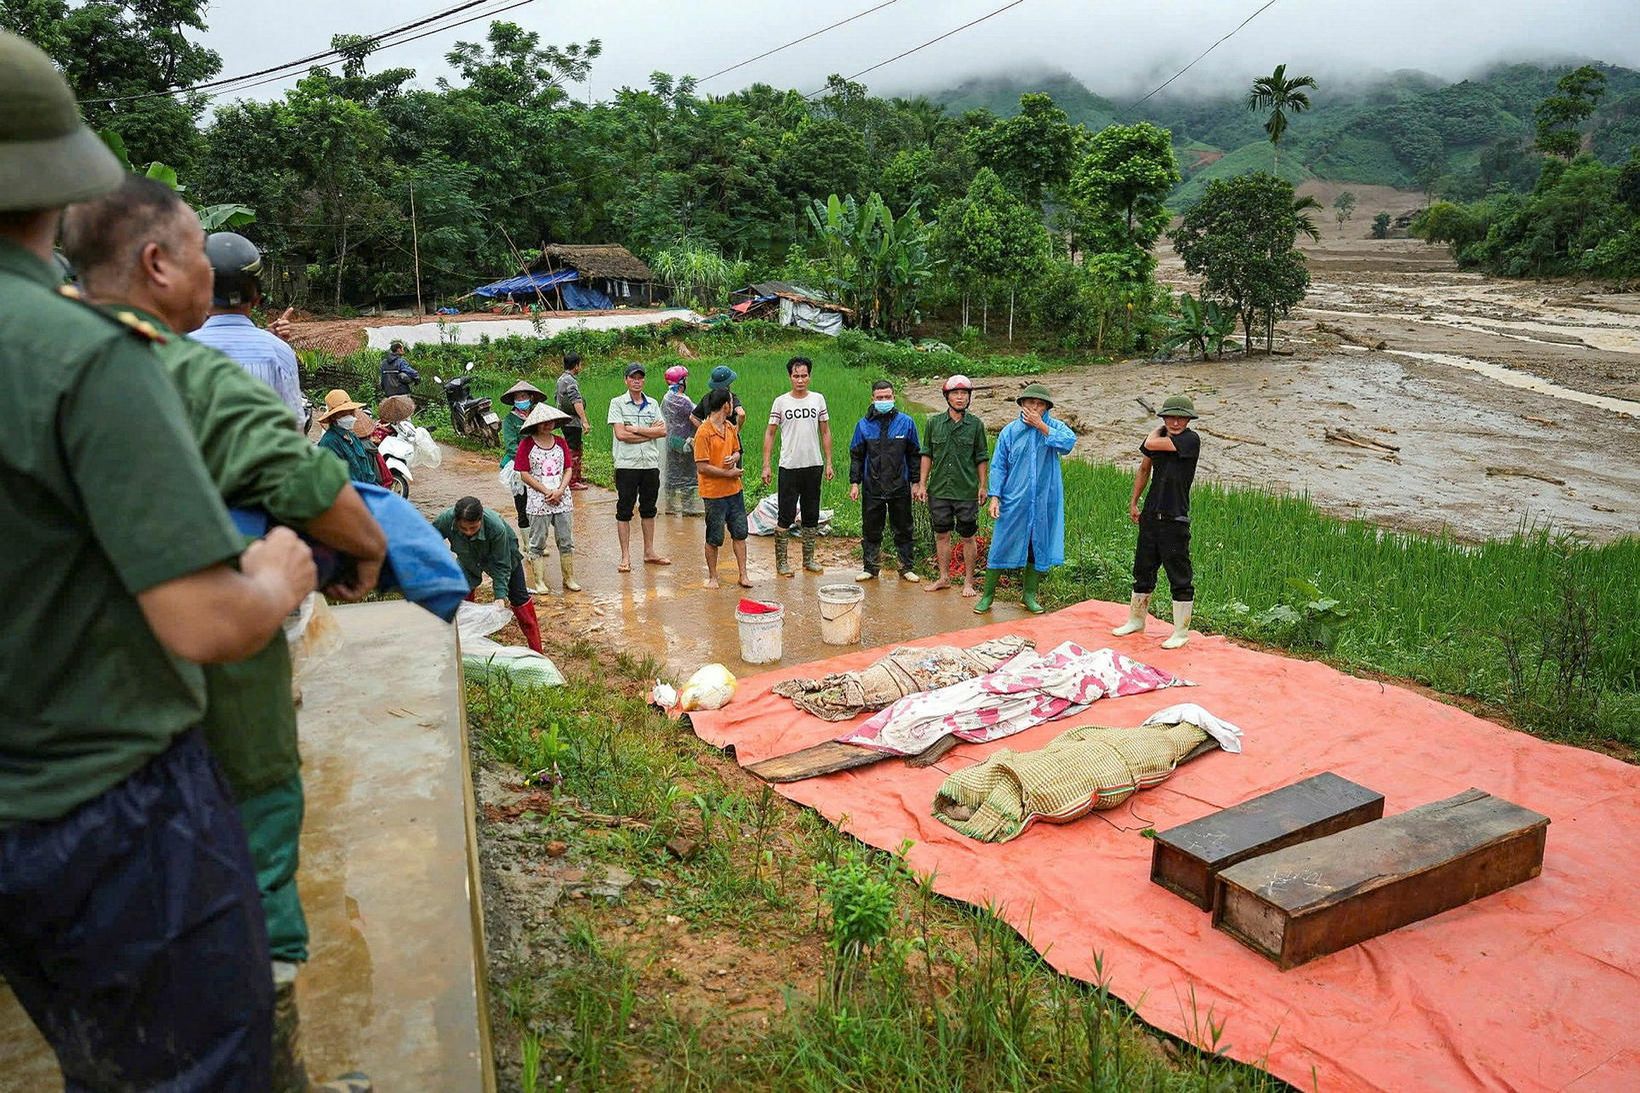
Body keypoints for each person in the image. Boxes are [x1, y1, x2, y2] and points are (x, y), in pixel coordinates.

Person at [0, 32, 318, 1090]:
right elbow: (202, 620)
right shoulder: (81, 354)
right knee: (193, 1062)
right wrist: (276, 572)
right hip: (106, 805)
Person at [61, 174, 387, 1092]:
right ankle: (271, 1057)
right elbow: (298, 465)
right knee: (255, 816)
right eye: (194, 244)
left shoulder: (48, 353)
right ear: (161, 265)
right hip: (217, 605)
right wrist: (361, 552)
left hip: (77, 703)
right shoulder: (189, 366)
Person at [975, 383, 1076, 615]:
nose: (1035, 407)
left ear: (1046, 408)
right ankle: (988, 595)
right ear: (1022, 404)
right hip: (1014, 499)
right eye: (1030, 402)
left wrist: (1042, 427)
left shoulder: (1054, 427)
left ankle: (1028, 595)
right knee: (1001, 543)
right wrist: (995, 497)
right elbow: (999, 466)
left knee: (1036, 546)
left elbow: (1069, 443)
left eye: (1040, 404)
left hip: (1043, 500)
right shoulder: (1010, 432)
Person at [187, 231, 304, 426]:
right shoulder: (279, 352)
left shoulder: (179, 352)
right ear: (257, 298)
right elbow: (295, 426)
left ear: (201, 294)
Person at [1113, 394, 1201, 649]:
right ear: (1163, 418)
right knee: (1143, 568)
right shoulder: (1157, 442)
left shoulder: (1189, 440)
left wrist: (1156, 428)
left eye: (1180, 417)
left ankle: (1181, 632)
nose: (1175, 422)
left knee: (1179, 574)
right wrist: (1134, 502)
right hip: (1151, 515)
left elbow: (1152, 442)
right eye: (1169, 417)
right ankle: (1136, 619)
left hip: (1175, 518)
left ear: (1188, 420)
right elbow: (1144, 469)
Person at [433, 497, 544, 653]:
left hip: (505, 557)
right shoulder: (446, 520)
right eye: (463, 529)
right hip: (468, 559)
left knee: (519, 599)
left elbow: (502, 566)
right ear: (455, 521)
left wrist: (500, 596)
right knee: (459, 598)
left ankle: (538, 653)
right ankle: (464, 646)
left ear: (481, 519)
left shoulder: (496, 527)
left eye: (473, 528)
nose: (469, 532)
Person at [915, 374, 989, 597]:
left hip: (966, 490)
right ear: (947, 397)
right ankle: (944, 577)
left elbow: (981, 457)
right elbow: (927, 454)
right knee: (942, 534)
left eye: (964, 394)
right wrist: (922, 484)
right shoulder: (934, 423)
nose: (959, 397)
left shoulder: (976, 425)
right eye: (955, 393)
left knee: (968, 536)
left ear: (969, 398)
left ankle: (968, 582)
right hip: (939, 489)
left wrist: (983, 486)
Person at [762, 355, 833, 576]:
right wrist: (766, 464)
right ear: (790, 377)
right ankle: (782, 562)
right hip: (789, 466)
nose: (800, 380)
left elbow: (825, 431)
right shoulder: (781, 402)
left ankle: (808, 559)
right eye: (796, 376)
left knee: (811, 514)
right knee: (786, 514)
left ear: (809, 377)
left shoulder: (818, 400)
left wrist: (829, 462)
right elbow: (770, 433)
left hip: (813, 465)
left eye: (804, 376)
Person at [848, 379, 921, 583]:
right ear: (872, 399)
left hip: (900, 486)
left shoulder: (906, 423)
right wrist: (855, 483)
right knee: (871, 528)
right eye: (879, 398)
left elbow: (914, 454)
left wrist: (916, 483)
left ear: (893, 398)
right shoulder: (863, 425)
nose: (883, 401)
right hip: (873, 486)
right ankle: (870, 568)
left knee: (904, 527)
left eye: (887, 397)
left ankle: (906, 567)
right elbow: (856, 456)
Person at [607, 362, 671, 571]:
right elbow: (621, 434)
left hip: (650, 464)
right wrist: (647, 433)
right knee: (624, 510)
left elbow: (662, 432)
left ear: (644, 380)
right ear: (626, 380)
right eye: (633, 377)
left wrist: (635, 430)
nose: (637, 381)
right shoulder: (617, 403)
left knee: (648, 509)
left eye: (640, 377)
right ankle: (625, 556)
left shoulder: (652, 404)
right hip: (627, 464)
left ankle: (649, 551)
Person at [514, 403, 579, 595]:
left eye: (550, 422)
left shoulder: (560, 442)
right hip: (538, 499)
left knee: (566, 539)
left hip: (562, 498)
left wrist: (560, 490)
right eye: (543, 422)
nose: (548, 425)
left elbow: (568, 469)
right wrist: (545, 491)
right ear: (536, 424)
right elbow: (523, 473)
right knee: (538, 541)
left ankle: (569, 578)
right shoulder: (526, 444)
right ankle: (540, 581)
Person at [694, 388, 753, 589]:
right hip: (713, 495)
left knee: (740, 533)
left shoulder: (729, 427)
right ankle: (713, 577)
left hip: (735, 491)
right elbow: (702, 467)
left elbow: (737, 451)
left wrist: (734, 458)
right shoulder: (703, 432)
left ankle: (743, 575)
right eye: (730, 402)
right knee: (714, 536)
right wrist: (727, 473)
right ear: (725, 406)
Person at [498, 379, 546, 529]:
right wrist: (527, 460)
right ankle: (528, 544)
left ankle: (538, 540)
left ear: (530, 397)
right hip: (518, 464)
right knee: (522, 502)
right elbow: (511, 445)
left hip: (539, 463)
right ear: (513, 400)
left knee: (539, 501)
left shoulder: (537, 415)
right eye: (518, 397)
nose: (521, 400)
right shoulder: (510, 420)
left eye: (524, 396)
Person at [316, 389, 384, 485]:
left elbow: (368, 471)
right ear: (334, 417)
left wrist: (375, 490)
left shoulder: (353, 437)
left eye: (351, 413)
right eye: (344, 414)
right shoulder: (329, 442)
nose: (350, 417)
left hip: (365, 491)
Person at [661, 364, 701, 516]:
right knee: (688, 474)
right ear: (682, 381)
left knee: (672, 473)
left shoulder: (666, 398)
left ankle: (670, 506)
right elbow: (696, 414)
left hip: (671, 441)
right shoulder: (683, 400)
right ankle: (688, 507)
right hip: (685, 441)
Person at [555, 351, 591, 490]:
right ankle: (573, 480)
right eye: (580, 364)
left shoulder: (561, 379)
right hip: (571, 421)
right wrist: (584, 420)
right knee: (574, 450)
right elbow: (576, 400)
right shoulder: (570, 381)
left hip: (564, 420)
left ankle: (574, 476)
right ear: (576, 365)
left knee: (572, 447)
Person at [690, 363, 747, 428]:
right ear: (728, 384)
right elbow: (741, 414)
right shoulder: (730, 397)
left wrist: (706, 431)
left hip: (710, 436)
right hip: (728, 436)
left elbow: (693, 417)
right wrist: (736, 431)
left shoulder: (707, 397)